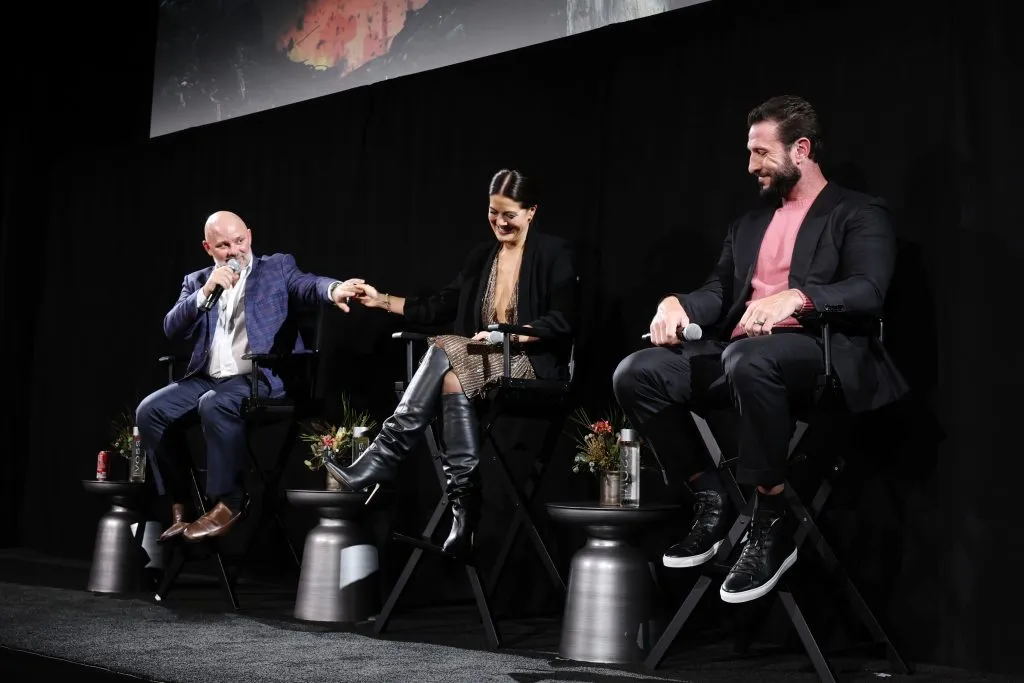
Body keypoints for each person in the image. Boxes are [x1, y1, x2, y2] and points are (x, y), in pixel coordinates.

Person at [612, 96, 908, 604]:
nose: (751, 166)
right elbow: (718, 293)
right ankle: (710, 496)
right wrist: (677, 303)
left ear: (802, 149)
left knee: (749, 358)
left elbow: (868, 290)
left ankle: (771, 521)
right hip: (742, 358)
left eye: (761, 153)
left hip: (820, 354)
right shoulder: (749, 224)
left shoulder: (857, 211)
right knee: (636, 372)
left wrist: (800, 296)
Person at [326, 168, 577, 558]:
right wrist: (381, 301)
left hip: (531, 362)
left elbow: (564, 320)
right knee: (450, 380)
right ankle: (465, 508)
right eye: (493, 212)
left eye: (509, 214)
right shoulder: (482, 257)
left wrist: (507, 334)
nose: (500, 221)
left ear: (531, 212)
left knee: (443, 346)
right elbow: (440, 305)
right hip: (481, 361)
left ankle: (382, 457)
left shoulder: (553, 252)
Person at [136, 210, 364, 543]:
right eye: (224, 245)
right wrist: (204, 295)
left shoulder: (277, 268)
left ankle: (230, 501)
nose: (234, 250)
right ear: (208, 248)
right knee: (149, 412)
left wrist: (335, 289)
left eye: (239, 240)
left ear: (250, 237)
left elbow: (309, 284)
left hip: (258, 377)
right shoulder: (198, 281)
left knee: (216, 405)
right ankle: (181, 504)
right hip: (208, 377)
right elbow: (171, 327)